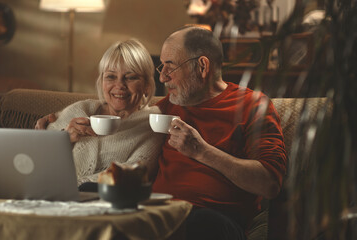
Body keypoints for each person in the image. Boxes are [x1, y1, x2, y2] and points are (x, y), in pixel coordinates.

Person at [152, 26, 287, 239]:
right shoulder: (166, 107)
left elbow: (270, 183)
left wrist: (202, 151)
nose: (163, 77)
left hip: (214, 223)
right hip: (157, 217)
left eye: (171, 67)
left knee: (199, 222)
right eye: (162, 67)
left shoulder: (253, 105)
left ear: (202, 66)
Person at [35, 39, 165, 187]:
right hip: (50, 195)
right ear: (101, 81)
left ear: (147, 85)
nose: (119, 85)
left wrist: (69, 185)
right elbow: (35, 161)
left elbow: (132, 176)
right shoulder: (79, 110)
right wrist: (63, 140)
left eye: (130, 77)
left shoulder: (152, 126)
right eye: (111, 76)